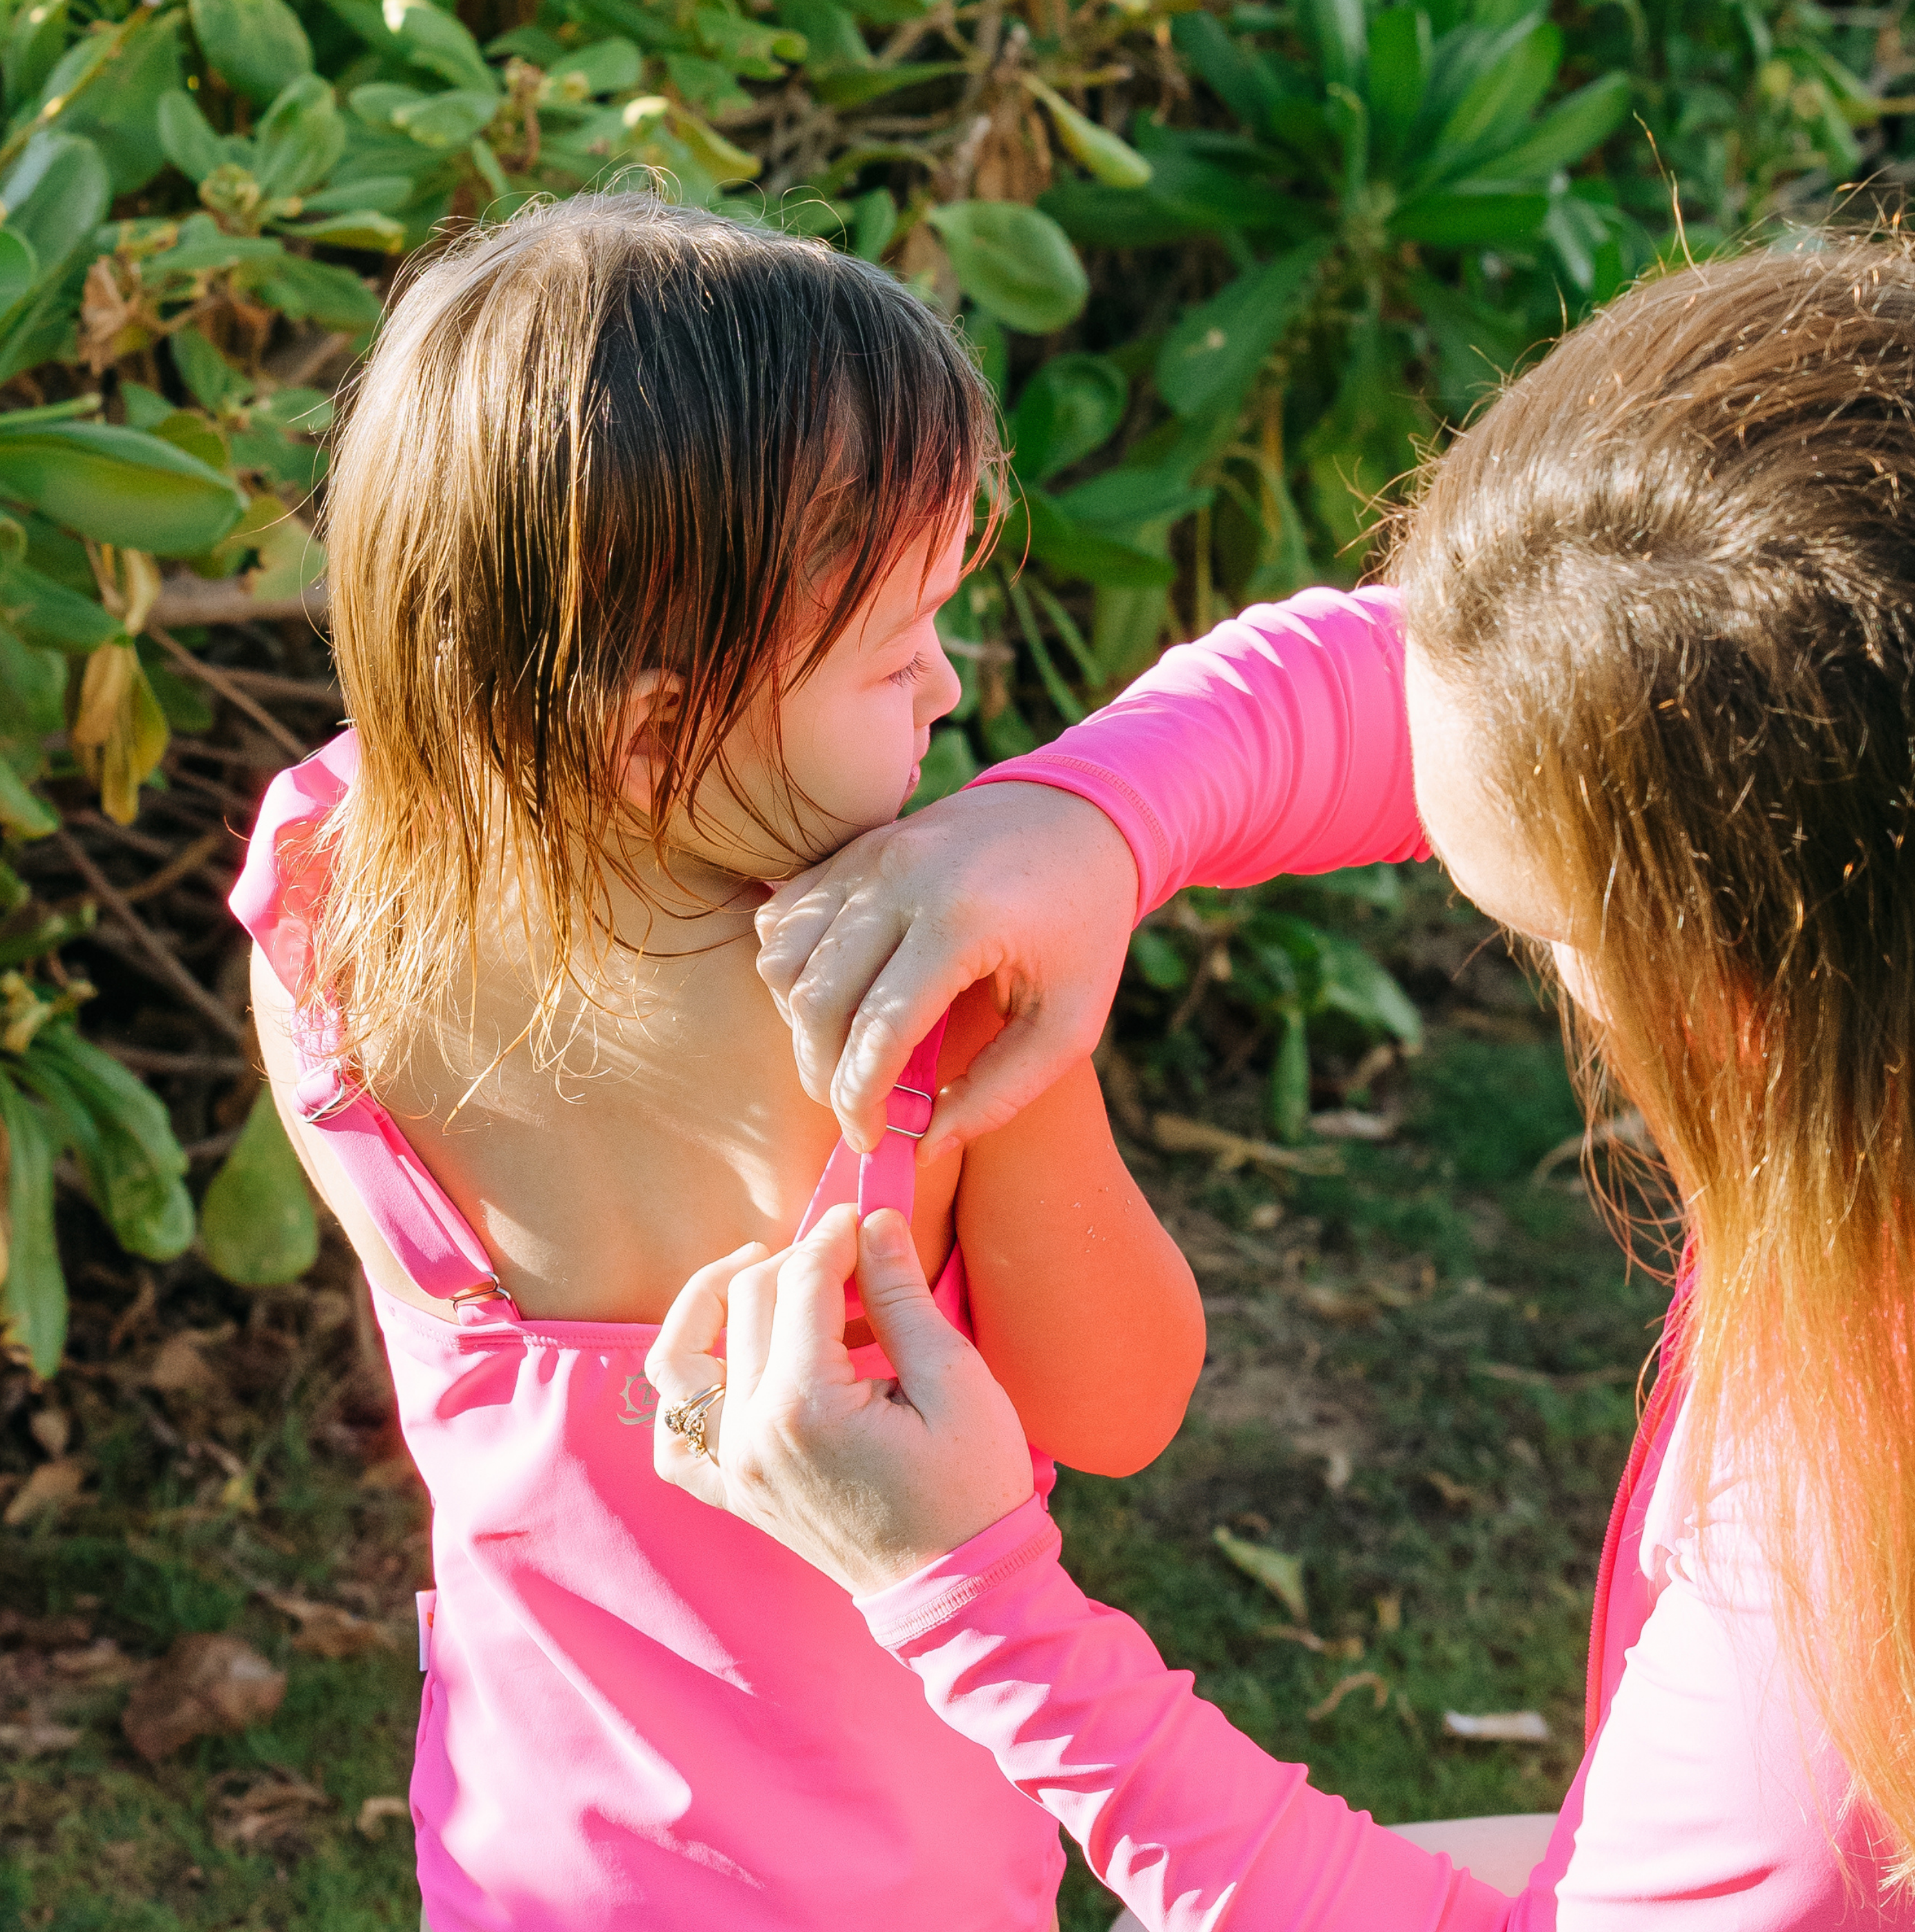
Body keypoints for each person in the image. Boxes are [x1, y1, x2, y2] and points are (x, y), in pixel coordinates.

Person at [647, 239, 1915, 1929]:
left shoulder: (1834, 1570)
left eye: (1541, 926)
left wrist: (961, 1592)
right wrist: (1088, 819)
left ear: (1775, 961)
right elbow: (1431, 684)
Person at [229, 193, 1207, 1931]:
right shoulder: (920, 1026)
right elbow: (1123, 1403)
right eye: (898, 652)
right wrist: (1036, 1018)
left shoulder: (318, 895)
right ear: (658, 730)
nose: (951, 688)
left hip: (528, 1850)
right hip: (893, 1877)